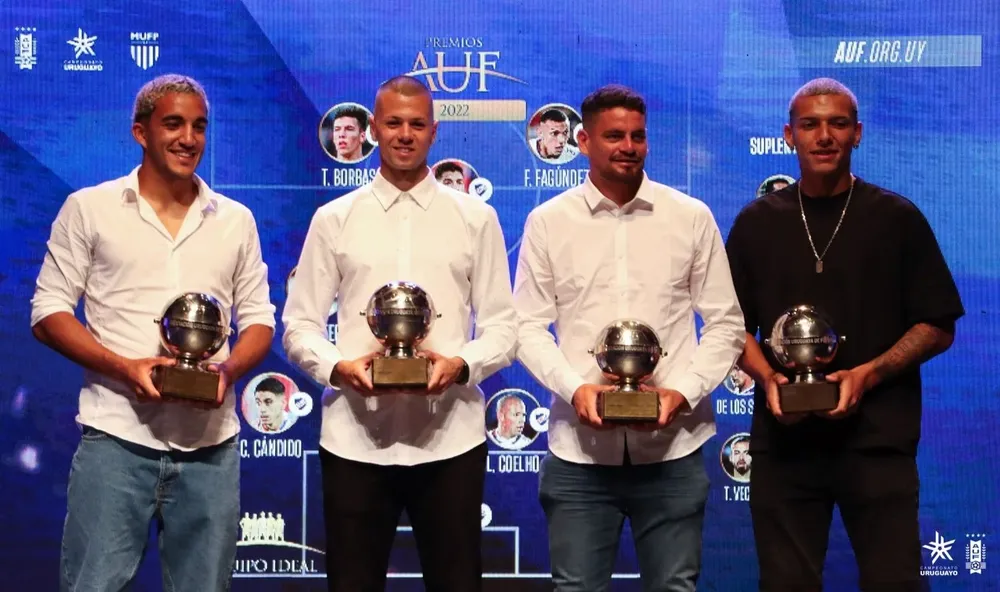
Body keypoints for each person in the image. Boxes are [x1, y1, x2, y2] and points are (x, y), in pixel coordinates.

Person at [30, 74, 275, 592]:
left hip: (212, 448)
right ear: (140, 132)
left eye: (199, 126)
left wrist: (225, 372)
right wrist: (124, 367)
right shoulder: (89, 208)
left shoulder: (236, 220)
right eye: (173, 124)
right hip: (116, 439)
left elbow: (259, 320)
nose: (189, 138)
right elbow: (48, 310)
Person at [725, 77, 964, 591]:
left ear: (858, 133)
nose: (824, 136)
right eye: (810, 125)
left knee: (894, 583)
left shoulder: (897, 218)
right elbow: (731, 328)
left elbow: (937, 325)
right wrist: (768, 378)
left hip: (877, 442)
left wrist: (869, 374)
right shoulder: (755, 223)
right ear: (789, 135)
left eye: (837, 124)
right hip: (784, 443)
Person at [283, 75, 517, 592]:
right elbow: (299, 324)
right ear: (373, 130)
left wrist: (461, 365)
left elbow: (504, 328)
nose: (405, 135)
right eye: (393, 123)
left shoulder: (477, 219)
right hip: (355, 443)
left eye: (416, 124)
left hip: (450, 440)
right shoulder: (334, 219)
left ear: (434, 132)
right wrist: (337, 369)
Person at [513, 84, 746, 591]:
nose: (628, 146)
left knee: (674, 589)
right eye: (614, 135)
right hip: (579, 454)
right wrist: (576, 389)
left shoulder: (690, 217)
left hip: (673, 451)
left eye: (638, 136)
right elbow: (527, 328)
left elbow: (726, 323)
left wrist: (680, 394)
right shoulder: (548, 223)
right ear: (583, 141)